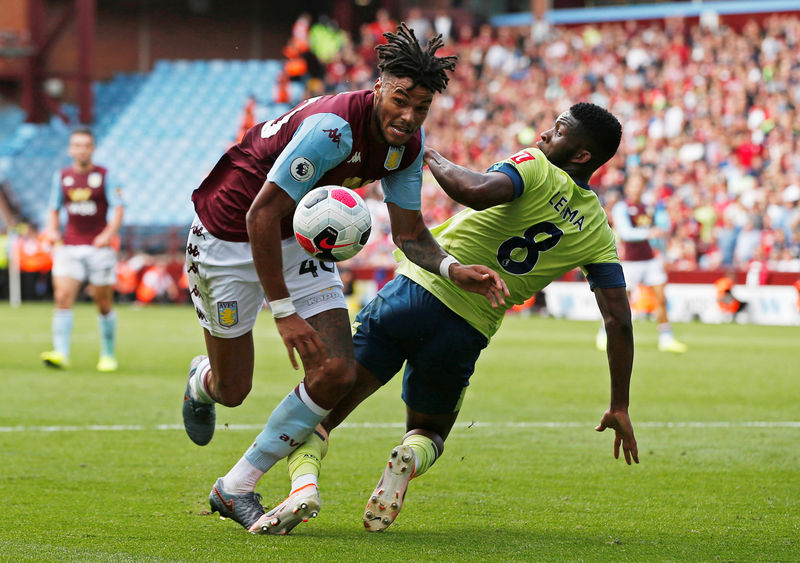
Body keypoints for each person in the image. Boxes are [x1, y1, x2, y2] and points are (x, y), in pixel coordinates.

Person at [181, 23, 507, 534]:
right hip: (228, 236)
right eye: (400, 100)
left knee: (337, 372)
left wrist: (451, 268)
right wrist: (284, 314)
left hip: (303, 240)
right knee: (232, 389)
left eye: (420, 108)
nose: (408, 116)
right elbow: (260, 217)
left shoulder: (407, 146)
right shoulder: (332, 129)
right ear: (379, 85)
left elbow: (411, 234)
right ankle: (202, 383)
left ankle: (235, 487)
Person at [271, 102, 639, 534]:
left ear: (581, 155)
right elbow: (619, 321)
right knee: (429, 433)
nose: (543, 135)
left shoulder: (537, 167)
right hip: (466, 329)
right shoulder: (597, 230)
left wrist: (427, 153)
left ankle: (303, 486)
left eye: (557, 132)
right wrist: (619, 403)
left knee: (324, 411)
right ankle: (407, 459)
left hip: (413, 294)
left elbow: (476, 191)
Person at [41, 127, 124, 371]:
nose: (82, 149)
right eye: (77, 145)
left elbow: (118, 208)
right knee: (62, 297)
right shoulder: (63, 176)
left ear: (93, 148)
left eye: (86, 145)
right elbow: (53, 208)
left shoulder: (105, 176)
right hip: (70, 246)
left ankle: (108, 354)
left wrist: (107, 235)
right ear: (70, 149)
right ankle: (61, 353)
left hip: (99, 248)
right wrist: (52, 230)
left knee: (103, 301)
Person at [596, 171, 687, 353]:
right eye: (633, 184)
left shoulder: (648, 207)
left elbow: (659, 232)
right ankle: (604, 332)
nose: (636, 188)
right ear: (628, 187)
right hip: (631, 262)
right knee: (621, 302)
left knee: (661, 299)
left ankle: (666, 338)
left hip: (649, 260)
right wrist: (649, 233)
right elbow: (626, 233)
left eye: (639, 185)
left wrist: (664, 254)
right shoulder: (622, 207)